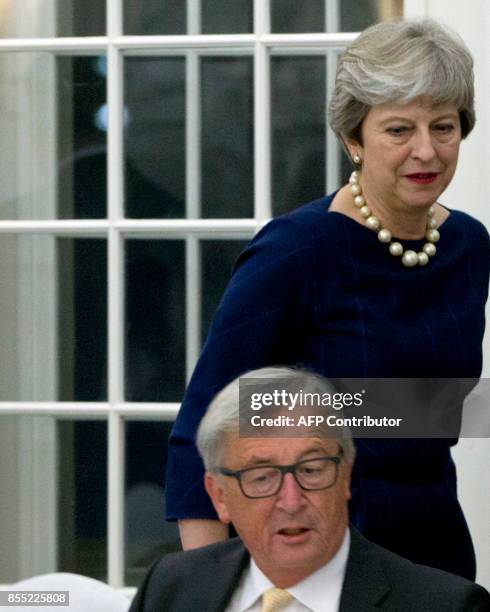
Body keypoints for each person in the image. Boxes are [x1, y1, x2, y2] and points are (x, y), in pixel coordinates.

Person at [165, 18, 489, 580]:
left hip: (436, 555)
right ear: (352, 139)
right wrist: (207, 587)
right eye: (397, 130)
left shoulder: (467, 245)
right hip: (317, 552)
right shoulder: (296, 250)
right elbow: (204, 427)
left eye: (443, 127)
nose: (426, 151)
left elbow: (438, 411)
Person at [132, 368, 490, 611]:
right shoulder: (170, 589)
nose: (290, 501)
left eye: (312, 470)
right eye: (262, 477)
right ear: (220, 497)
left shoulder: (445, 606)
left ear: (346, 475)